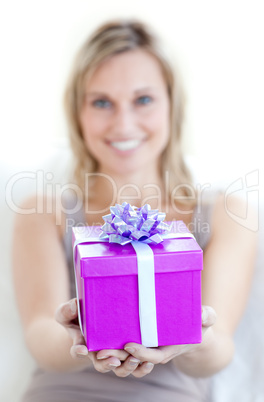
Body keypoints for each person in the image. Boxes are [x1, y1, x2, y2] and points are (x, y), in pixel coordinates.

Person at [13, 19, 257, 402]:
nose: (123, 123)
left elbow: (218, 349)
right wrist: (83, 338)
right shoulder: (43, 211)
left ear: (172, 106)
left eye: (143, 100)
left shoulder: (227, 214)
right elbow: (41, 335)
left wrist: (195, 337)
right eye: (101, 102)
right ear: (78, 113)